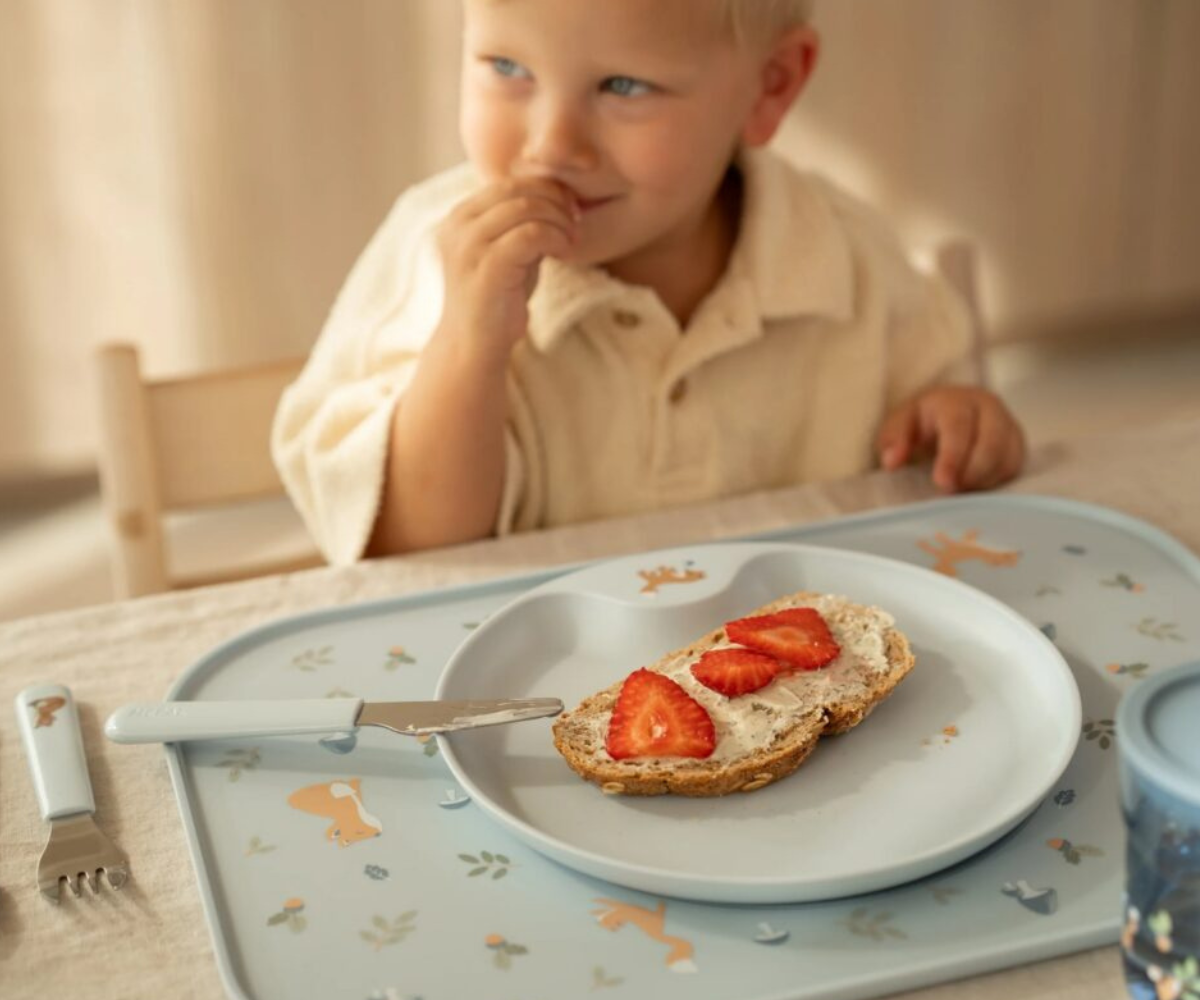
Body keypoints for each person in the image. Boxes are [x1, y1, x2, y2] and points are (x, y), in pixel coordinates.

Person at [272, 0, 1026, 566]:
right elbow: (408, 547)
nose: (550, 146)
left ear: (770, 87)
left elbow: (940, 432)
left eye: (623, 86)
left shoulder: (845, 256)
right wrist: (471, 341)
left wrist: (959, 421)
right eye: (507, 69)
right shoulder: (435, 257)